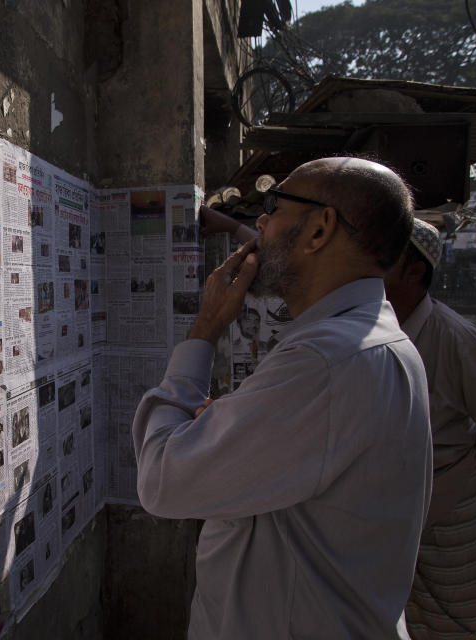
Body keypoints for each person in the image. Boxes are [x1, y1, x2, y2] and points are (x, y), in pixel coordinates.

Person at [132, 157, 431, 638]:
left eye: (275, 204)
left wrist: (205, 329)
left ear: (319, 229)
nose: (262, 222)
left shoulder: (326, 362)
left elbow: (163, 478)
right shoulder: (373, 341)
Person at [383, 219, 476, 639]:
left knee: (446, 625)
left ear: (413, 271)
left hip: (448, 513)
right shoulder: (361, 330)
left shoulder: (456, 337)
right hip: (382, 511)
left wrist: (453, 451)